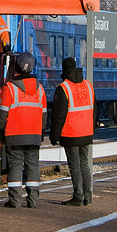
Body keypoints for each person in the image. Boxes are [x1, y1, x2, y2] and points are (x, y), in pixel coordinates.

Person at [0, 51, 46, 208]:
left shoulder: (9, 88)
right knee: (33, 167)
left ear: (16, 67)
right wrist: (41, 133)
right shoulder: (40, 89)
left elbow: (2, 114)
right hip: (34, 135)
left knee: (15, 166)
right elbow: (44, 115)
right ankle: (33, 200)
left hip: (14, 135)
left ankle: (15, 201)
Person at [50, 57, 94, 206]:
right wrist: (91, 127)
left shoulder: (63, 88)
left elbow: (59, 115)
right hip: (86, 131)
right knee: (84, 164)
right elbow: (95, 109)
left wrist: (54, 136)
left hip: (71, 132)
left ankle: (78, 196)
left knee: (74, 165)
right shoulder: (88, 85)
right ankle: (88, 196)